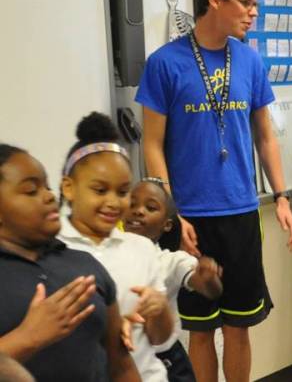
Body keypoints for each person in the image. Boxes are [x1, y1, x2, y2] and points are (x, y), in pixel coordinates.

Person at [135, 0, 292, 379]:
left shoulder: (249, 60)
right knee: (201, 328)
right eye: (244, 3)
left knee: (239, 325)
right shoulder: (165, 63)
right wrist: (174, 213)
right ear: (214, 0)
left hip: (240, 212)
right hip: (191, 216)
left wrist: (281, 196)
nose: (253, 13)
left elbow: (265, 135)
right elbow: (151, 143)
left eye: (254, 5)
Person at [0, 144, 140, 381]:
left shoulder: (84, 264)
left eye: (46, 186)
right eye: (31, 190)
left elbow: (122, 368)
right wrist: (27, 337)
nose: (49, 196)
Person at [57, 112, 173, 381]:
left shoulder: (142, 249)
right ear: (69, 188)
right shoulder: (52, 249)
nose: (113, 202)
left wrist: (160, 310)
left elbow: (160, 340)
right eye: (99, 190)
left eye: (122, 192)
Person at [124, 178, 223, 382]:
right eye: (132, 204)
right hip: (128, 360)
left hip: (166, 360)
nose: (138, 211)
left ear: (166, 224)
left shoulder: (171, 261)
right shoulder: (110, 255)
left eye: (150, 207)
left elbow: (210, 289)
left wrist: (208, 278)